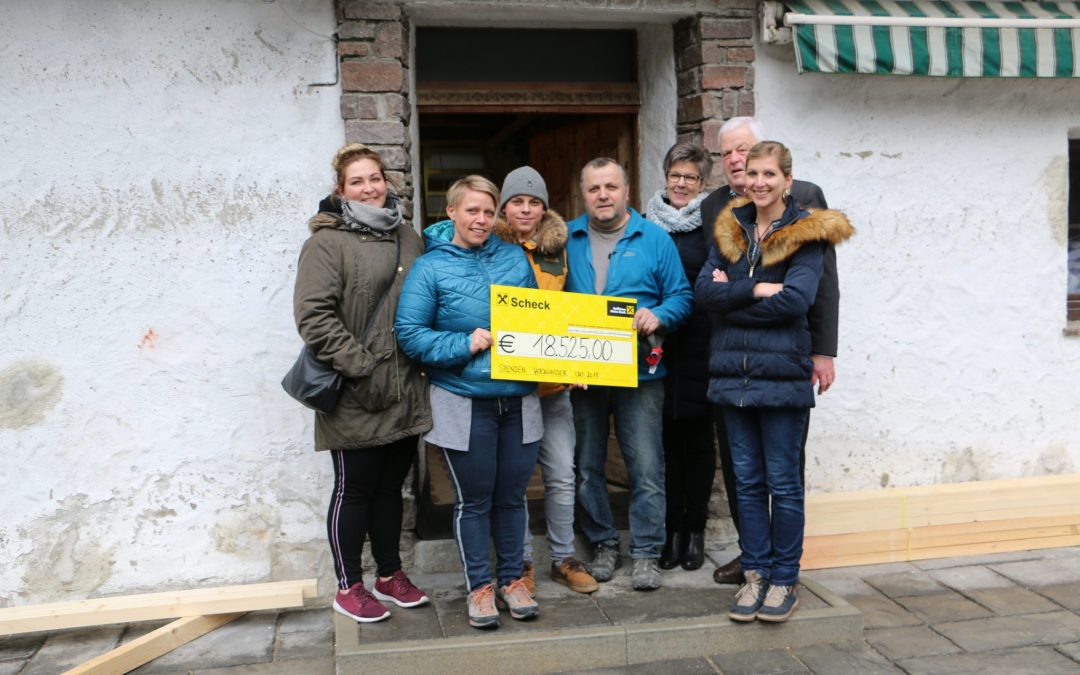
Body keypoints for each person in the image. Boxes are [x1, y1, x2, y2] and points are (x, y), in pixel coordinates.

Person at [696, 141, 853, 623]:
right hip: (732, 377)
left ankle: (785, 577)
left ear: (787, 179)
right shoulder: (730, 226)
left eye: (769, 174)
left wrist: (734, 298)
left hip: (782, 376)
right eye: (752, 174)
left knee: (783, 483)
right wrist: (759, 288)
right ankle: (756, 575)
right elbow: (704, 293)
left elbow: (798, 301)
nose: (758, 183)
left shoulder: (808, 233)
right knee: (746, 482)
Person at [293, 143, 432, 624]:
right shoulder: (326, 244)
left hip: (405, 389)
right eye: (358, 181)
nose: (370, 187)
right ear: (341, 190)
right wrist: (362, 366)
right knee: (354, 489)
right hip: (356, 391)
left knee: (392, 488)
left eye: (375, 178)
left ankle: (389, 575)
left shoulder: (409, 237)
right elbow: (314, 318)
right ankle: (348, 585)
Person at [395, 175, 542, 630]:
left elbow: (540, 325)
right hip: (464, 400)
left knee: (513, 498)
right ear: (452, 213)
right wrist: (465, 343)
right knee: (474, 500)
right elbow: (411, 335)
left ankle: (512, 579)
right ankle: (479, 587)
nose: (481, 219)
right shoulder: (430, 268)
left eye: (487, 211)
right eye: (471, 210)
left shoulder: (515, 258)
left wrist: (566, 366)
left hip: (518, 400)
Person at [565, 158, 694, 591]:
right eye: (594, 188)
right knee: (586, 465)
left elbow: (682, 296)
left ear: (626, 191)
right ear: (583, 195)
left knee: (647, 466)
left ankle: (645, 553)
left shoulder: (654, 239)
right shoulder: (566, 237)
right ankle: (602, 543)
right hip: (585, 371)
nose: (603, 195)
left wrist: (658, 314)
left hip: (642, 370)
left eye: (611, 187)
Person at [494, 166, 599, 596]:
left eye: (533, 202)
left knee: (561, 474)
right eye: (517, 201)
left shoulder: (559, 249)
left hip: (554, 387)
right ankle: (520, 563)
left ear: (544, 208)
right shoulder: (490, 247)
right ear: (504, 207)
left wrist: (581, 364)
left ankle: (562, 558)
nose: (525, 209)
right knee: (515, 481)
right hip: (511, 388)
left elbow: (574, 311)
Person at [644, 143, 716, 572]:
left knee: (698, 441)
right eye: (676, 174)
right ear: (666, 175)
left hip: (702, 344)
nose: (682, 183)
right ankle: (670, 529)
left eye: (691, 177)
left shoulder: (713, 224)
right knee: (665, 440)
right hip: (657, 343)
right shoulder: (646, 223)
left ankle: (695, 529)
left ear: (703, 183)